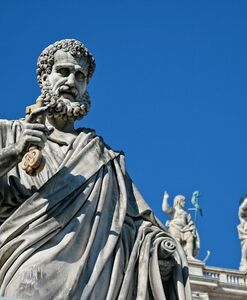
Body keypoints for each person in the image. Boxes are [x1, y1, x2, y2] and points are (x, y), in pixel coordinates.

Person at [0, 39, 191, 300]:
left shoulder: (101, 156)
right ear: (45, 78)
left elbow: (137, 225)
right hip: (25, 271)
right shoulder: (8, 133)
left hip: (94, 281)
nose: (71, 81)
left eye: (80, 76)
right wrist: (14, 152)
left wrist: (158, 250)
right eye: (63, 72)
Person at [162, 191, 199, 260]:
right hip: (174, 227)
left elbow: (190, 222)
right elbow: (165, 209)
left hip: (185, 228)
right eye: (183, 201)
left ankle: (190, 256)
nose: (184, 203)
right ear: (178, 201)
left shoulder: (186, 213)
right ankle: (176, 256)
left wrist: (192, 227)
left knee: (190, 238)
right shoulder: (174, 210)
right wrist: (165, 198)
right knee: (177, 240)